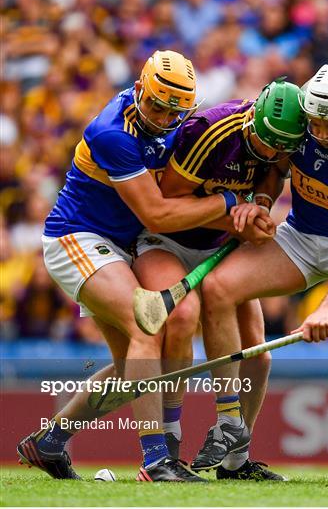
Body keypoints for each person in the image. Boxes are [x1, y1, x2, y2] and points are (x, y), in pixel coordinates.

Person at [16, 50, 260, 482]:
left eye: (173, 112)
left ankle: (50, 442)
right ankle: (157, 459)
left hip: (121, 245)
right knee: (147, 328)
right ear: (140, 89)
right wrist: (227, 203)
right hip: (80, 237)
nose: (162, 117)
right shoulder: (113, 132)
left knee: (135, 367)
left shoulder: (179, 121)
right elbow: (158, 216)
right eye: (155, 105)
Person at [194, 63, 328, 484]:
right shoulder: (302, 125)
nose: (321, 133)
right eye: (317, 123)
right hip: (300, 238)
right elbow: (277, 168)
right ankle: (233, 435)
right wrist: (264, 204)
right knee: (217, 288)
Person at [132, 78, 307, 480]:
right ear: (253, 123)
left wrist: (259, 206)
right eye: (267, 143)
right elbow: (167, 201)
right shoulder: (209, 131)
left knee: (258, 355)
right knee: (180, 317)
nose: (273, 152)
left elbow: (273, 175)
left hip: (220, 247)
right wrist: (231, 210)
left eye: (283, 147)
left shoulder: (283, 142)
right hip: (167, 241)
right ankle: (169, 445)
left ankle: (235, 458)